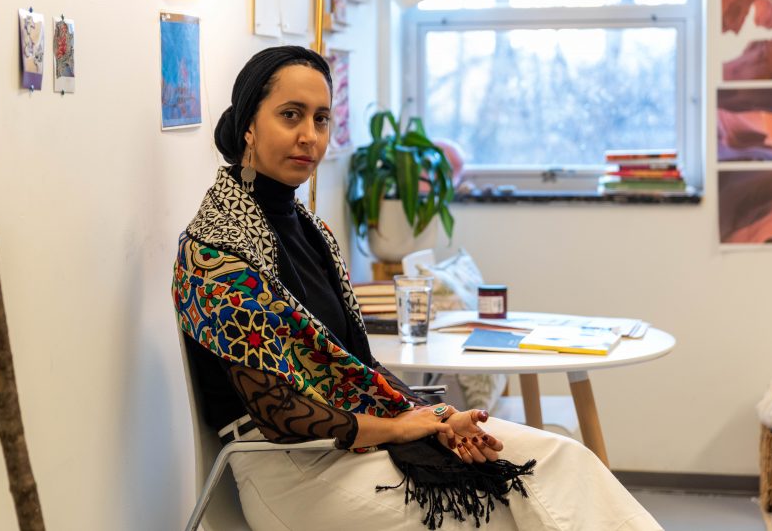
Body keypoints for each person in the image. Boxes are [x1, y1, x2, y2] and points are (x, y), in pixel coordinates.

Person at [173, 45, 662, 530]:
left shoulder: (311, 232)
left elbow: (360, 367)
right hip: (293, 469)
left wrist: (439, 417)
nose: (309, 136)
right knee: (512, 511)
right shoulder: (216, 252)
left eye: (321, 119)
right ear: (248, 128)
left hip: (357, 440)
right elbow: (278, 413)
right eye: (290, 115)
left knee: (566, 461)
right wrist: (403, 426)